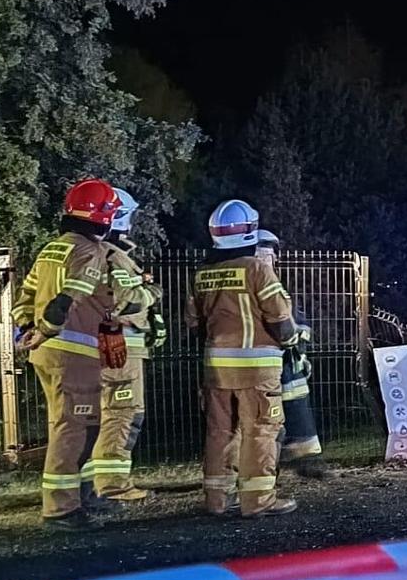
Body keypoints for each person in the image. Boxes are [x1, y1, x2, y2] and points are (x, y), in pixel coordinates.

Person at [12, 179, 122, 531]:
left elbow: (25, 297)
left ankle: (84, 496)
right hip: (72, 353)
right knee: (73, 429)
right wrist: (45, 329)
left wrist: (28, 329)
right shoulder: (88, 251)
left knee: (79, 426)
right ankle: (61, 510)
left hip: (48, 352)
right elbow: (64, 303)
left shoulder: (51, 249)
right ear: (102, 216)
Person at [188, 199, 300, 517]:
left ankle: (217, 499)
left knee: (219, 430)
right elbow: (279, 316)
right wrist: (292, 341)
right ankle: (258, 500)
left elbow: (193, 322)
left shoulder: (203, 273)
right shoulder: (256, 268)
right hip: (257, 368)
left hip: (215, 368)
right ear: (250, 231)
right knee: (261, 429)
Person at [83, 187, 162, 503]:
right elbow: (125, 303)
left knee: (106, 414)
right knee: (122, 413)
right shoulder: (113, 256)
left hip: (106, 347)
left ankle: (99, 483)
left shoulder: (93, 253)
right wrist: (151, 293)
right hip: (118, 349)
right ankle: (113, 485)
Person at [254, 229, 329, 479]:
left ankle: (305, 460)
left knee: (293, 408)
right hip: (266, 362)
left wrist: (300, 350)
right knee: (264, 416)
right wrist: (291, 340)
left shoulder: (271, 282)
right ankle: (267, 468)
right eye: (263, 254)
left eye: (270, 255)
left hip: (287, 363)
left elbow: (295, 319)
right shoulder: (257, 281)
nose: (268, 259)